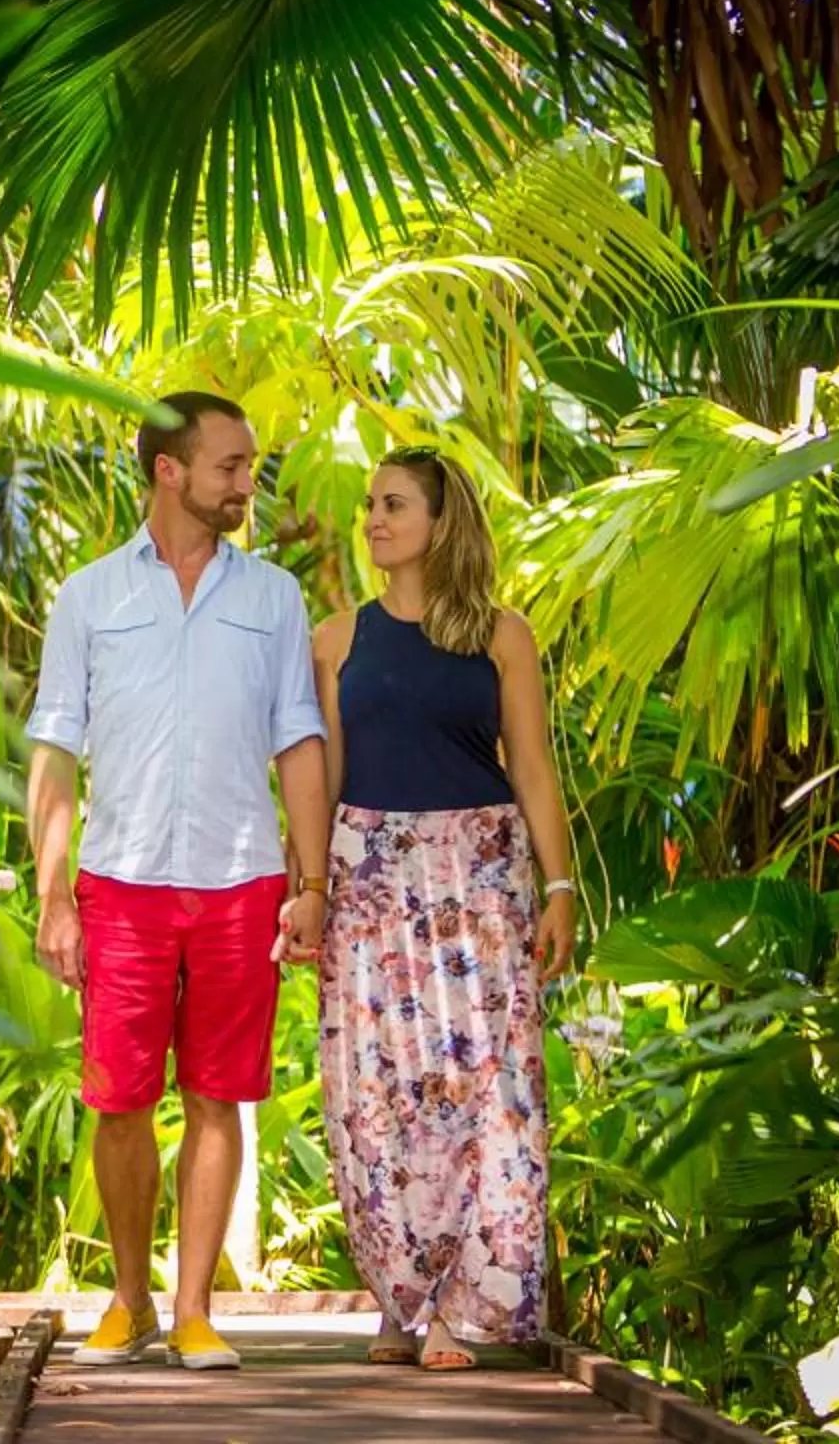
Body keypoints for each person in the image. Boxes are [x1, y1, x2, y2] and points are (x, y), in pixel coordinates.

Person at [28, 390, 332, 1371]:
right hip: (121, 882)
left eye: (249, 465)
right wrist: (53, 891)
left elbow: (300, 737)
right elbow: (55, 749)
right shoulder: (89, 596)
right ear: (170, 471)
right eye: (231, 465)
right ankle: (129, 1300)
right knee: (117, 1099)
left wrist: (312, 879)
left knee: (218, 1095)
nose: (249, 482)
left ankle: (195, 1308)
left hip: (244, 876)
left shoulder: (274, 596)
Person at [308, 445, 577, 1371]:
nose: (375, 520)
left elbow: (533, 768)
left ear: (439, 521)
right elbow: (327, 779)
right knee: (373, 1091)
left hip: (482, 881)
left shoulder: (503, 635)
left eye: (394, 505)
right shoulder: (336, 640)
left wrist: (561, 885)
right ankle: (399, 1299)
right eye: (371, 505)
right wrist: (310, 888)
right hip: (372, 878)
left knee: (485, 1087)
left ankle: (465, 1306)